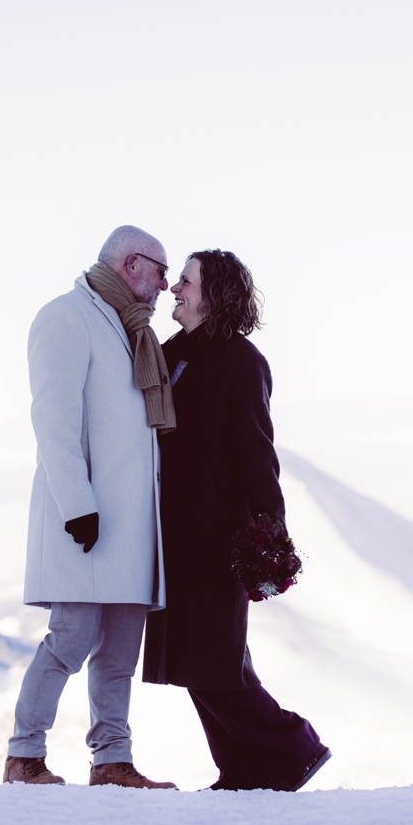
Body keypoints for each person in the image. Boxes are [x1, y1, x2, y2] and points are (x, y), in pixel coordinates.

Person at [142, 249, 331, 791]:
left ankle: (295, 747)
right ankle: (241, 770)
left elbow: (256, 449)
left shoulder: (242, 361)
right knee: (195, 659)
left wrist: (271, 527)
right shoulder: (174, 353)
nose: (175, 288)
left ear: (215, 293)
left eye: (186, 280)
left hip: (218, 531)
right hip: (174, 530)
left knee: (213, 658)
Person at [3, 225, 178, 789]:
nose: (166, 285)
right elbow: (53, 421)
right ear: (131, 265)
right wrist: (78, 504)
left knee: (121, 651)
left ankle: (113, 761)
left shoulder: (132, 331)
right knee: (71, 639)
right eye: (160, 271)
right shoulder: (66, 317)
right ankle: (23, 756)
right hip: (86, 518)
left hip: (131, 526)